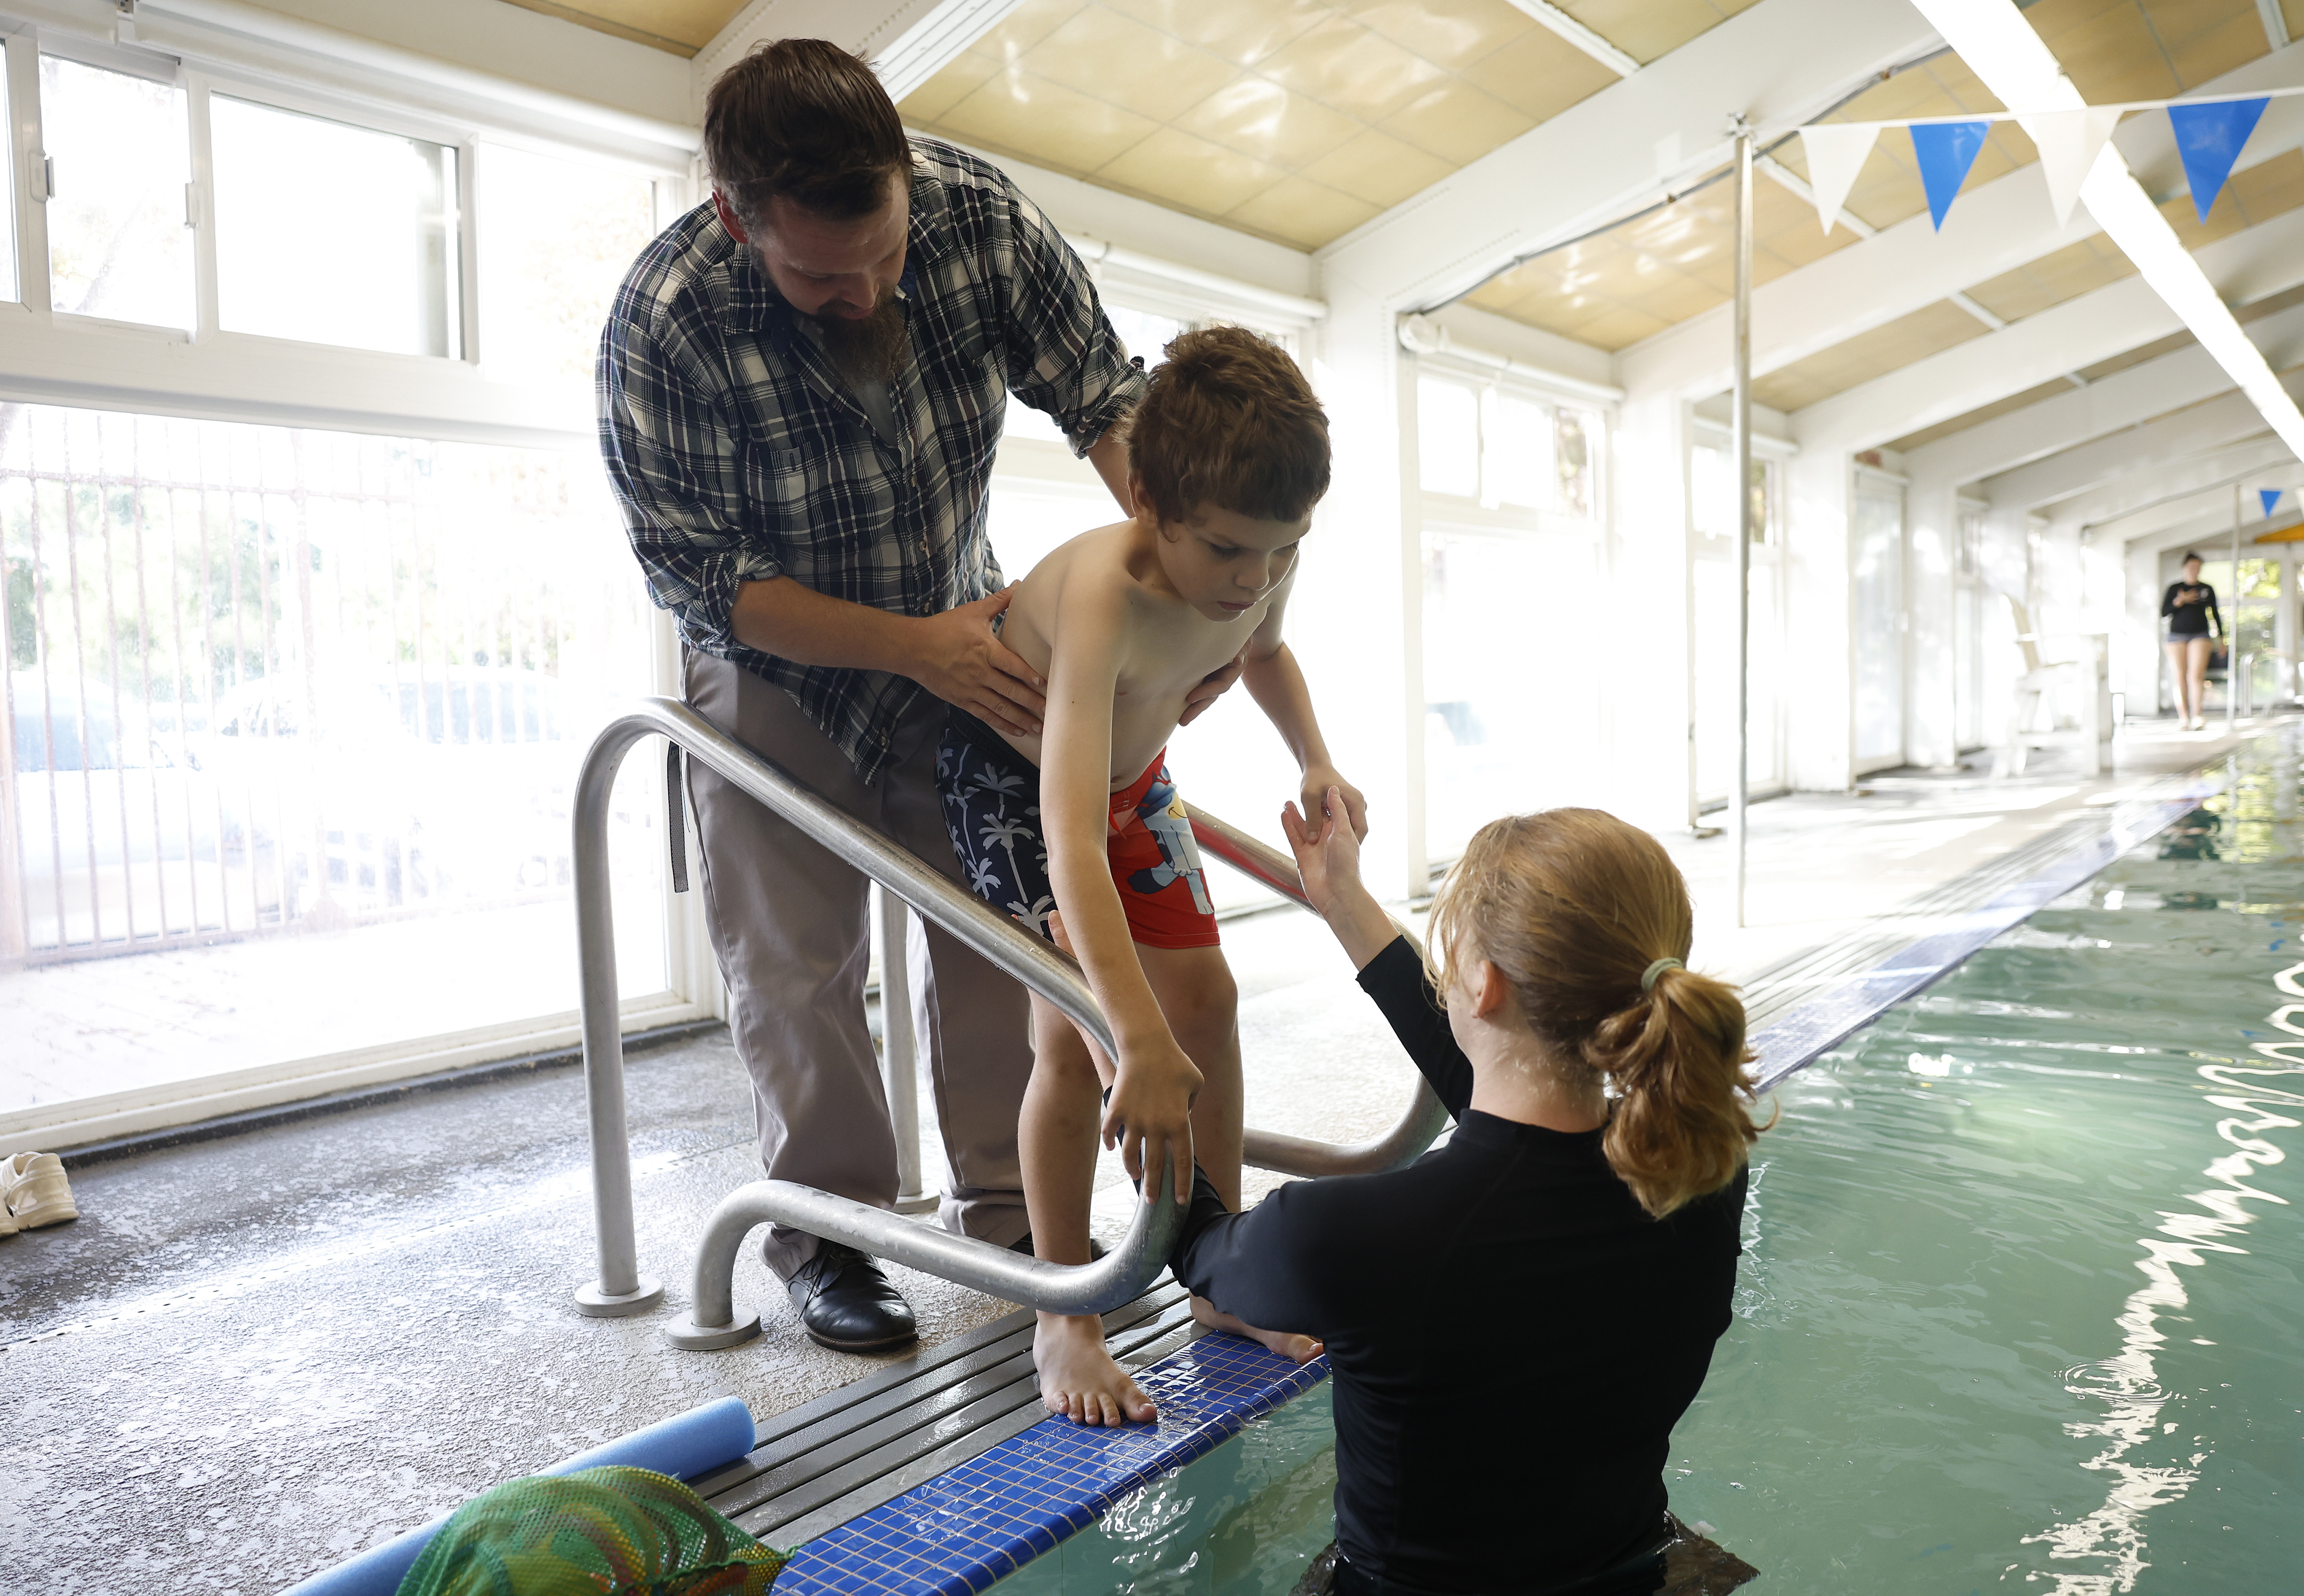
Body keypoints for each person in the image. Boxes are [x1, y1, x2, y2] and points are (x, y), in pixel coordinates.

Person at [598, 39, 1241, 1353]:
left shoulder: (983, 223)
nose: (866, 289)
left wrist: (1190, 590)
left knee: (1001, 926)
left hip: (973, 617)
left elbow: (1109, 403)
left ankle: (1010, 1212)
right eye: (823, 275)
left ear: (904, 181)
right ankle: (835, 1232)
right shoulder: (666, 320)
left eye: (886, 254)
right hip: (776, 662)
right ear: (738, 219)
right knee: (796, 964)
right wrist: (905, 645)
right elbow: (700, 575)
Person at [1163, 799, 1763, 1596]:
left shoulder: (1348, 1236)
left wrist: (1122, 1051)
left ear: (1484, 985)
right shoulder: (1704, 1174)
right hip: (1634, 1571)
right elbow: (1501, 1100)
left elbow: (1196, 1244)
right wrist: (1343, 901)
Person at [938, 327, 1360, 1425]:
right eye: (1226, 552)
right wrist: (1131, 1030)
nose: (1253, 577)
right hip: (1022, 794)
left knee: (1210, 1001)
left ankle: (1215, 1273)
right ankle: (1065, 1317)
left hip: (1135, 783)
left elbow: (1262, 648)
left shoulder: (1258, 548)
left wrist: (1312, 756)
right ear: (1147, 507)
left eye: (1281, 550)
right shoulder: (1100, 599)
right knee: (1074, 1049)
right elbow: (1068, 838)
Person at [2162, 552, 2223, 731]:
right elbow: (2164, 612)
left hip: (2200, 634)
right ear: (2184, 568)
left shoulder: (2206, 589)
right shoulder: (2175, 588)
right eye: (2191, 567)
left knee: (2196, 676)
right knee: (2179, 677)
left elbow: (2215, 614)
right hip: (2176, 636)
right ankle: (2184, 718)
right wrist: (2180, 601)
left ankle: (2198, 715)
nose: (2194, 570)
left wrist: (2221, 639)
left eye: (2197, 567)